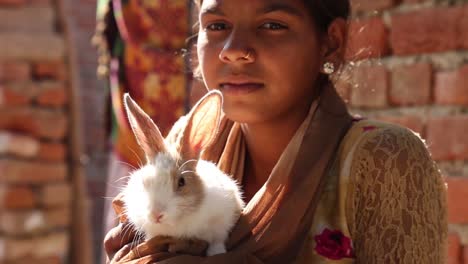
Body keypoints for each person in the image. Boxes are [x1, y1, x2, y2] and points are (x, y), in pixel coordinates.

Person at [103, 0, 448, 263]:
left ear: (331, 41)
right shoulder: (185, 146)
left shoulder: (384, 160)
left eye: (272, 24)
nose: (234, 50)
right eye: (217, 25)